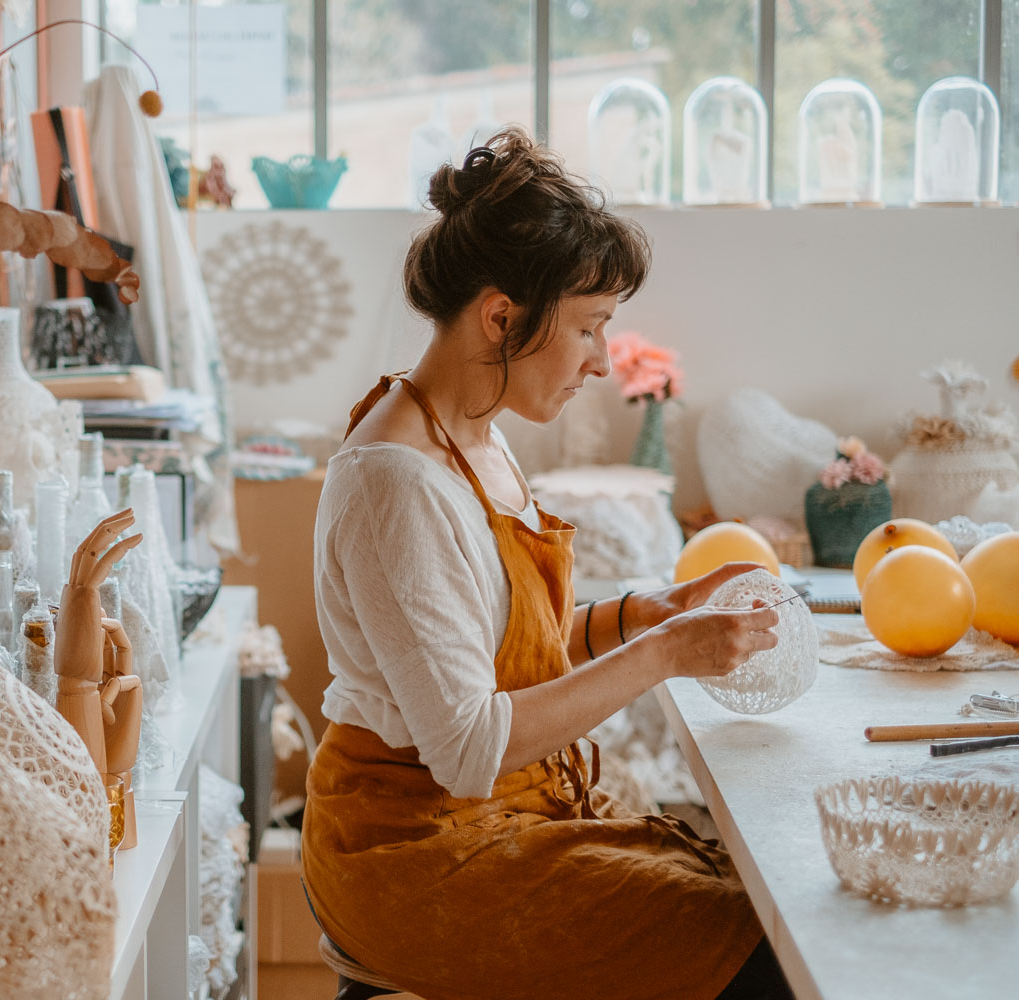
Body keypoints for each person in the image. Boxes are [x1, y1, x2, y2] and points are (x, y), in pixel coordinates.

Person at [300, 128, 792, 1000]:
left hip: (505, 814)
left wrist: (641, 613)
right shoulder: (394, 484)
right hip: (419, 848)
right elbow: (469, 747)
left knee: (763, 904)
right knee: (755, 953)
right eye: (590, 328)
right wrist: (665, 655)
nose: (603, 361)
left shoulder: (476, 437)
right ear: (501, 316)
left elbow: (488, 649)